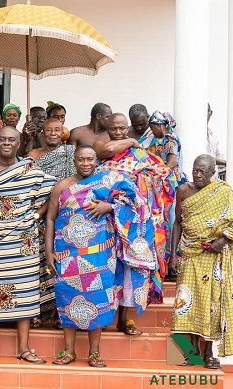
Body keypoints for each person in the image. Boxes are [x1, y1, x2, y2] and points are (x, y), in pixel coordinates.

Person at [46, 145, 156, 368]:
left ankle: (94, 353)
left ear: (97, 160)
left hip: (101, 254)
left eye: (90, 159)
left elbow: (138, 205)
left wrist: (110, 206)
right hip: (67, 255)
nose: (85, 164)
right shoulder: (62, 186)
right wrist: (49, 251)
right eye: (81, 160)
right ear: (74, 161)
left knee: (98, 299)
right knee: (68, 298)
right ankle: (69, 352)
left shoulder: (109, 183)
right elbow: (50, 219)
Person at [0, 126, 56, 363]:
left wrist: (36, 215)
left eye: (12, 140)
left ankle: (24, 348)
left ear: (19, 143)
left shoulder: (29, 169)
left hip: (24, 244)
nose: (7, 143)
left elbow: (55, 191)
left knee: (26, 292)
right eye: (2, 139)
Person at [95, 113, 177, 313]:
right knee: (106, 267)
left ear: (127, 127)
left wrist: (139, 179)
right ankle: (104, 315)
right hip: (104, 219)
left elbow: (164, 175)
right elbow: (97, 173)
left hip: (134, 222)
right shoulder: (100, 149)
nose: (117, 132)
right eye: (113, 128)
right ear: (107, 129)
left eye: (122, 129)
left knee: (129, 269)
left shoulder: (141, 154)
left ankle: (124, 318)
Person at [169, 155, 233, 367]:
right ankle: (190, 353)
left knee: (211, 305)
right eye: (195, 170)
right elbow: (177, 223)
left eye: (203, 172)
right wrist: (173, 255)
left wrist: (223, 240)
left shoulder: (223, 191)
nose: (197, 175)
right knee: (185, 304)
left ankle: (208, 354)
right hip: (189, 255)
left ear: (212, 172)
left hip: (213, 256)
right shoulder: (183, 190)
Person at [141, 111, 187, 185]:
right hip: (168, 178)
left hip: (174, 180)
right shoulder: (161, 140)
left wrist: (156, 175)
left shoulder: (170, 139)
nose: (152, 132)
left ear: (158, 125)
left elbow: (172, 163)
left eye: (152, 128)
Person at [206, 103, 226, 179]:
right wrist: (226, 162)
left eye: (207, 111)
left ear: (210, 113)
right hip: (199, 181)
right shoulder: (192, 135)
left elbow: (219, 156)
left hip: (213, 180)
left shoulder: (213, 136)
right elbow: (203, 158)